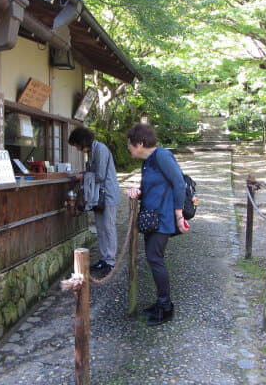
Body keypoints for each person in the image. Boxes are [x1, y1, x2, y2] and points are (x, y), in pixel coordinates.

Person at [126, 123, 188, 326]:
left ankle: (166, 307)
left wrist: (179, 215)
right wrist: (138, 190)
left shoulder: (162, 155)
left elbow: (179, 182)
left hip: (163, 218)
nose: (129, 147)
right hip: (151, 218)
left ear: (140, 143)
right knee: (154, 259)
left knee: (155, 258)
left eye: (130, 144)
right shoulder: (148, 161)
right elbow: (152, 185)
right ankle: (161, 303)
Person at [69, 126, 120, 275]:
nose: (78, 148)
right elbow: (93, 172)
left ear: (82, 141)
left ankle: (110, 261)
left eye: (77, 145)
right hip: (97, 196)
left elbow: (100, 175)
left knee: (108, 227)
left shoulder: (101, 149)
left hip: (107, 195)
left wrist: (82, 176)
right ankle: (104, 259)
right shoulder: (91, 151)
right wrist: (83, 174)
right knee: (100, 228)